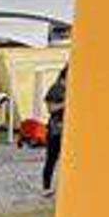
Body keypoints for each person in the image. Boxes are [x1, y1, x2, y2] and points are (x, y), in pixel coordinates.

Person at [43, 63, 67, 196]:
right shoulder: (56, 89)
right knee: (51, 159)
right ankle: (46, 187)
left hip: (65, 130)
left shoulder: (70, 89)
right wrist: (66, 102)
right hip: (55, 130)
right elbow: (50, 108)